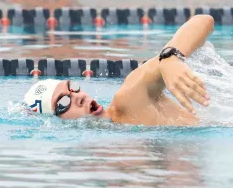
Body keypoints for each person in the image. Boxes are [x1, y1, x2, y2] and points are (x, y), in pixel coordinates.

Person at [24, 14, 214, 126]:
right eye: (64, 101)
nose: (78, 96)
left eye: (72, 87)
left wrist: (169, 57)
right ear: (55, 122)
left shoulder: (129, 98)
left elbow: (203, 21)